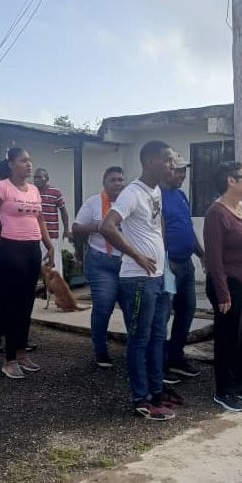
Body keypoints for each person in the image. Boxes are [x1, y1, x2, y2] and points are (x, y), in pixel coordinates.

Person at [99, 140, 177, 420]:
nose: (172, 165)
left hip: (157, 278)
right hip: (138, 280)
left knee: (158, 337)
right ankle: (140, 399)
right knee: (140, 339)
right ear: (151, 161)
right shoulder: (131, 193)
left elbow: (156, 227)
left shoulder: (155, 190)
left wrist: (161, 258)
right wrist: (137, 256)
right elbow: (106, 226)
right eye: (167, 159)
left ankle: (157, 392)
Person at [0, 148, 55, 379]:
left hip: (31, 250)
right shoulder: (1, 188)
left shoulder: (33, 190)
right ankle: (10, 358)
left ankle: (22, 353)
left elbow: (39, 219)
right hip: (10, 250)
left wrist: (49, 245)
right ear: (11, 164)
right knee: (12, 304)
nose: (29, 165)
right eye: (24, 160)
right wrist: (6, 231)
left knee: (27, 303)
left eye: (30, 160)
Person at [203, 161, 242, 413]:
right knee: (229, 339)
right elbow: (214, 258)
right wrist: (223, 293)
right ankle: (224, 390)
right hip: (229, 284)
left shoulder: (240, 208)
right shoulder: (216, 213)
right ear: (230, 180)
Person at [72, 166, 126, 368]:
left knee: (132, 309)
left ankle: (136, 351)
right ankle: (101, 351)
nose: (118, 183)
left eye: (121, 179)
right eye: (113, 180)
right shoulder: (93, 202)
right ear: (104, 182)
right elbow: (76, 228)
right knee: (104, 307)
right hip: (101, 262)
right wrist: (101, 226)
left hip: (127, 262)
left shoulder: (128, 202)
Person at [159, 154, 204, 383]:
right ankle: (159, 364)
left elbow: (187, 228)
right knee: (163, 315)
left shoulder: (181, 196)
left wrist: (201, 254)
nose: (182, 176)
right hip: (169, 266)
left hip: (186, 264)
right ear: (166, 170)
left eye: (185, 172)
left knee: (186, 312)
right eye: (178, 171)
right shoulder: (156, 196)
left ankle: (176, 357)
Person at [33, 168, 72, 275]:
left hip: (51, 236)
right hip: (35, 235)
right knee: (38, 267)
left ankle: (53, 291)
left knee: (53, 267)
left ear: (47, 179)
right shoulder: (31, 191)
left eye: (40, 177)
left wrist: (66, 229)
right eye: (35, 177)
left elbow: (63, 211)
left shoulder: (55, 192)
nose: (36, 180)